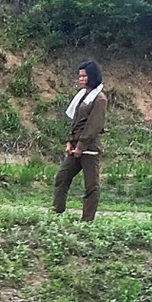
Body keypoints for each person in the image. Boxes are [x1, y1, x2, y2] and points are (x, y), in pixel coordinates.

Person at [53, 59, 106, 221]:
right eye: (80, 76)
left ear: (92, 76)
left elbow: (93, 126)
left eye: (84, 76)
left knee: (91, 186)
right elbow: (75, 121)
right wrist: (70, 141)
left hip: (89, 148)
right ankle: (57, 211)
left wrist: (81, 147)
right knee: (62, 177)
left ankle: (87, 220)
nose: (81, 79)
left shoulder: (100, 99)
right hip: (76, 146)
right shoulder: (82, 96)